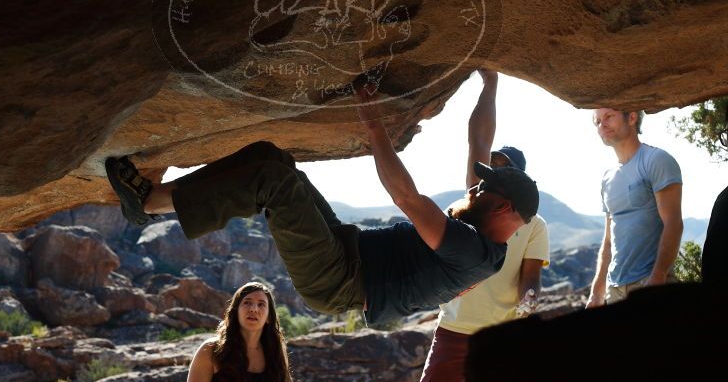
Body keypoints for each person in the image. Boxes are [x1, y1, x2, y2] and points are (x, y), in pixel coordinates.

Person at [106, 86, 540, 324]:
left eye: (486, 189)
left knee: (272, 182)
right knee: (271, 158)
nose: (476, 189)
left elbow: (406, 198)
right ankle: (156, 197)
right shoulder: (481, 225)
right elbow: (479, 144)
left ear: (504, 209)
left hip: (339, 280)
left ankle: (148, 204)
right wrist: (490, 81)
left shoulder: (474, 251)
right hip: (344, 249)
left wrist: (373, 123)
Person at [418, 70, 549, 382]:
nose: (494, 174)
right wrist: (490, 85)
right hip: (452, 329)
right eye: (493, 167)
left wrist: (527, 310)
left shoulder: (535, 226)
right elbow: (476, 141)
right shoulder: (461, 211)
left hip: (499, 339)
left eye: (504, 170)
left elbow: (530, 277)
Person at [586, 108, 683, 308]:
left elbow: (673, 223)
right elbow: (608, 239)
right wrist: (597, 290)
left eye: (608, 117)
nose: (601, 125)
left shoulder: (656, 160)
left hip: (650, 282)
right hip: (615, 290)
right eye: (597, 121)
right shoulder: (607, 178)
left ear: (632, 117)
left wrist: (658, 278)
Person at [186, 281, 292, 382]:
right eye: (247, 302)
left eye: (261, 304)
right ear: (235, 311)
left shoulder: (275, 352)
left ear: (269, 317)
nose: (253, 309)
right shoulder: (211, 350)